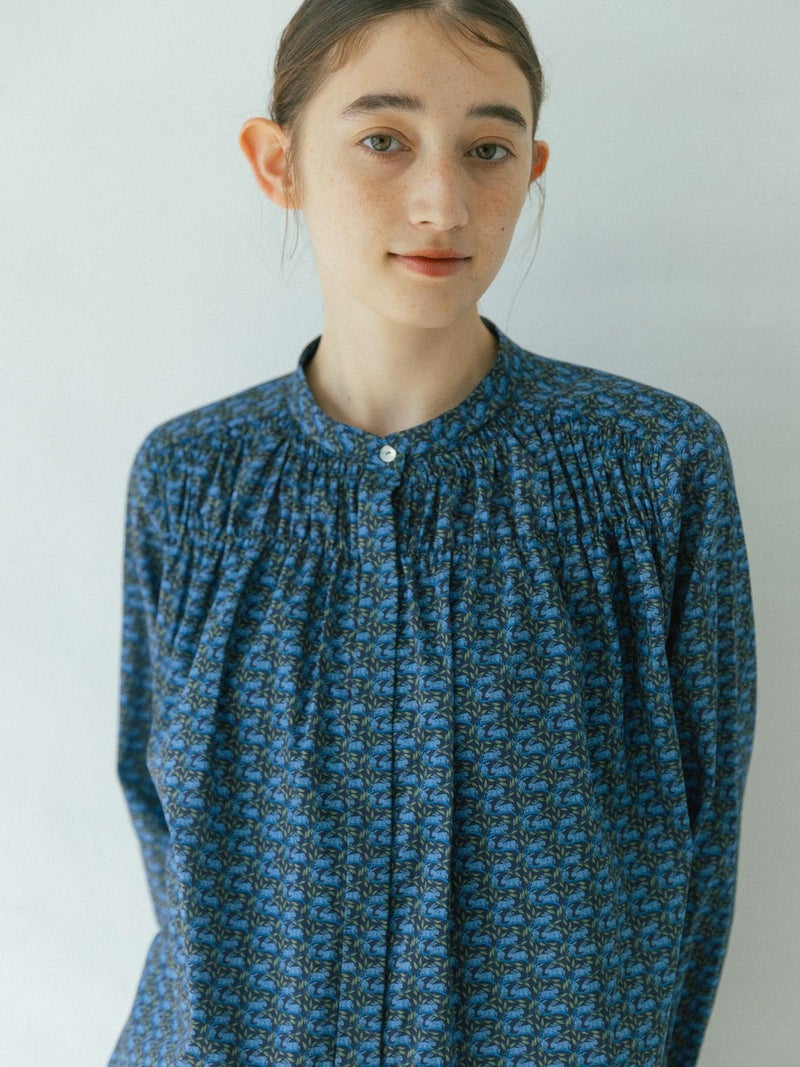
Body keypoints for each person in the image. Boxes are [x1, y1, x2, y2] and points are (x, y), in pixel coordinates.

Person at [109, 2, 757, 1065]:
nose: (441, 202)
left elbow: (699, 843)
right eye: (383, 138)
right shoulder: (192, 480)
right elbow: (166, 831)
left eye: (487, 149)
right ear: (278, 163)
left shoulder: (649, 469)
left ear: (531, 167)